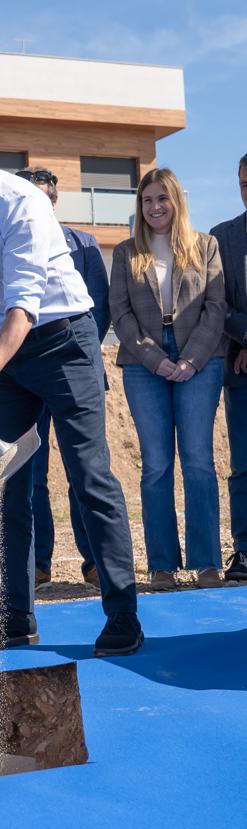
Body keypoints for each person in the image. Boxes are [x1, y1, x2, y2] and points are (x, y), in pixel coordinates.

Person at [0, 101, 141, 657]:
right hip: (3, 351)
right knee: (9, 485)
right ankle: (16, 618)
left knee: (89, 476)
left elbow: (24, 306)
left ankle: (123, 615)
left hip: (63, 341)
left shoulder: (17, 199)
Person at [110, 168, 226, 590]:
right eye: (147, 200)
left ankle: (207, 562)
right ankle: (161, 565)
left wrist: (191, 359)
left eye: (162, 198)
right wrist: (154, 358)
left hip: (201, 358)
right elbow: (120, 313)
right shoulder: (126, 252)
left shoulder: (206, 246)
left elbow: (216, 307)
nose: (155, 207)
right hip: (144, 364)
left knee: (198, 460)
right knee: (156, 465)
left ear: (177, 201)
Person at [15, 167, 110, 590]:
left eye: (42, 197)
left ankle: (95, 562)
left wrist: (77, 358)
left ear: (53, 202)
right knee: (32, 472)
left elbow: (97, 310)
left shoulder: (84, 244)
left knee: (84, 470)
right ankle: (39, 563)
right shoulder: (8, 243)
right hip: (23, 375)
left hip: (75, 368)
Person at [210, 153, 247, 583]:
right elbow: (217, 303)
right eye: (243, 183)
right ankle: (246, 550)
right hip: (241, 368)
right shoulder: (222, 238)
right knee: (244, 467)